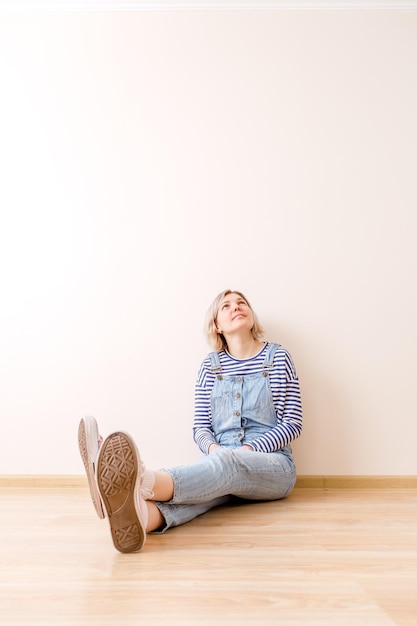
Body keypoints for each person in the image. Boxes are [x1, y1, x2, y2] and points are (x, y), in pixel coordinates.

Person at [78, 289, 303, 553]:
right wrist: (214, 450)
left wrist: (246, 451)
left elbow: (292, 423)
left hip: (274, 467)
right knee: (205, 492)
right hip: (221, 461)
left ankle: (142, 481)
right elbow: (201, 428)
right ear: (217, 325)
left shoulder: (277, 358)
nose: (237, 307)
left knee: (226, 464)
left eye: (242, 303)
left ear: (251, 317)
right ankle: (139, 515)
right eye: (227, 306)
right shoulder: (210, 366)